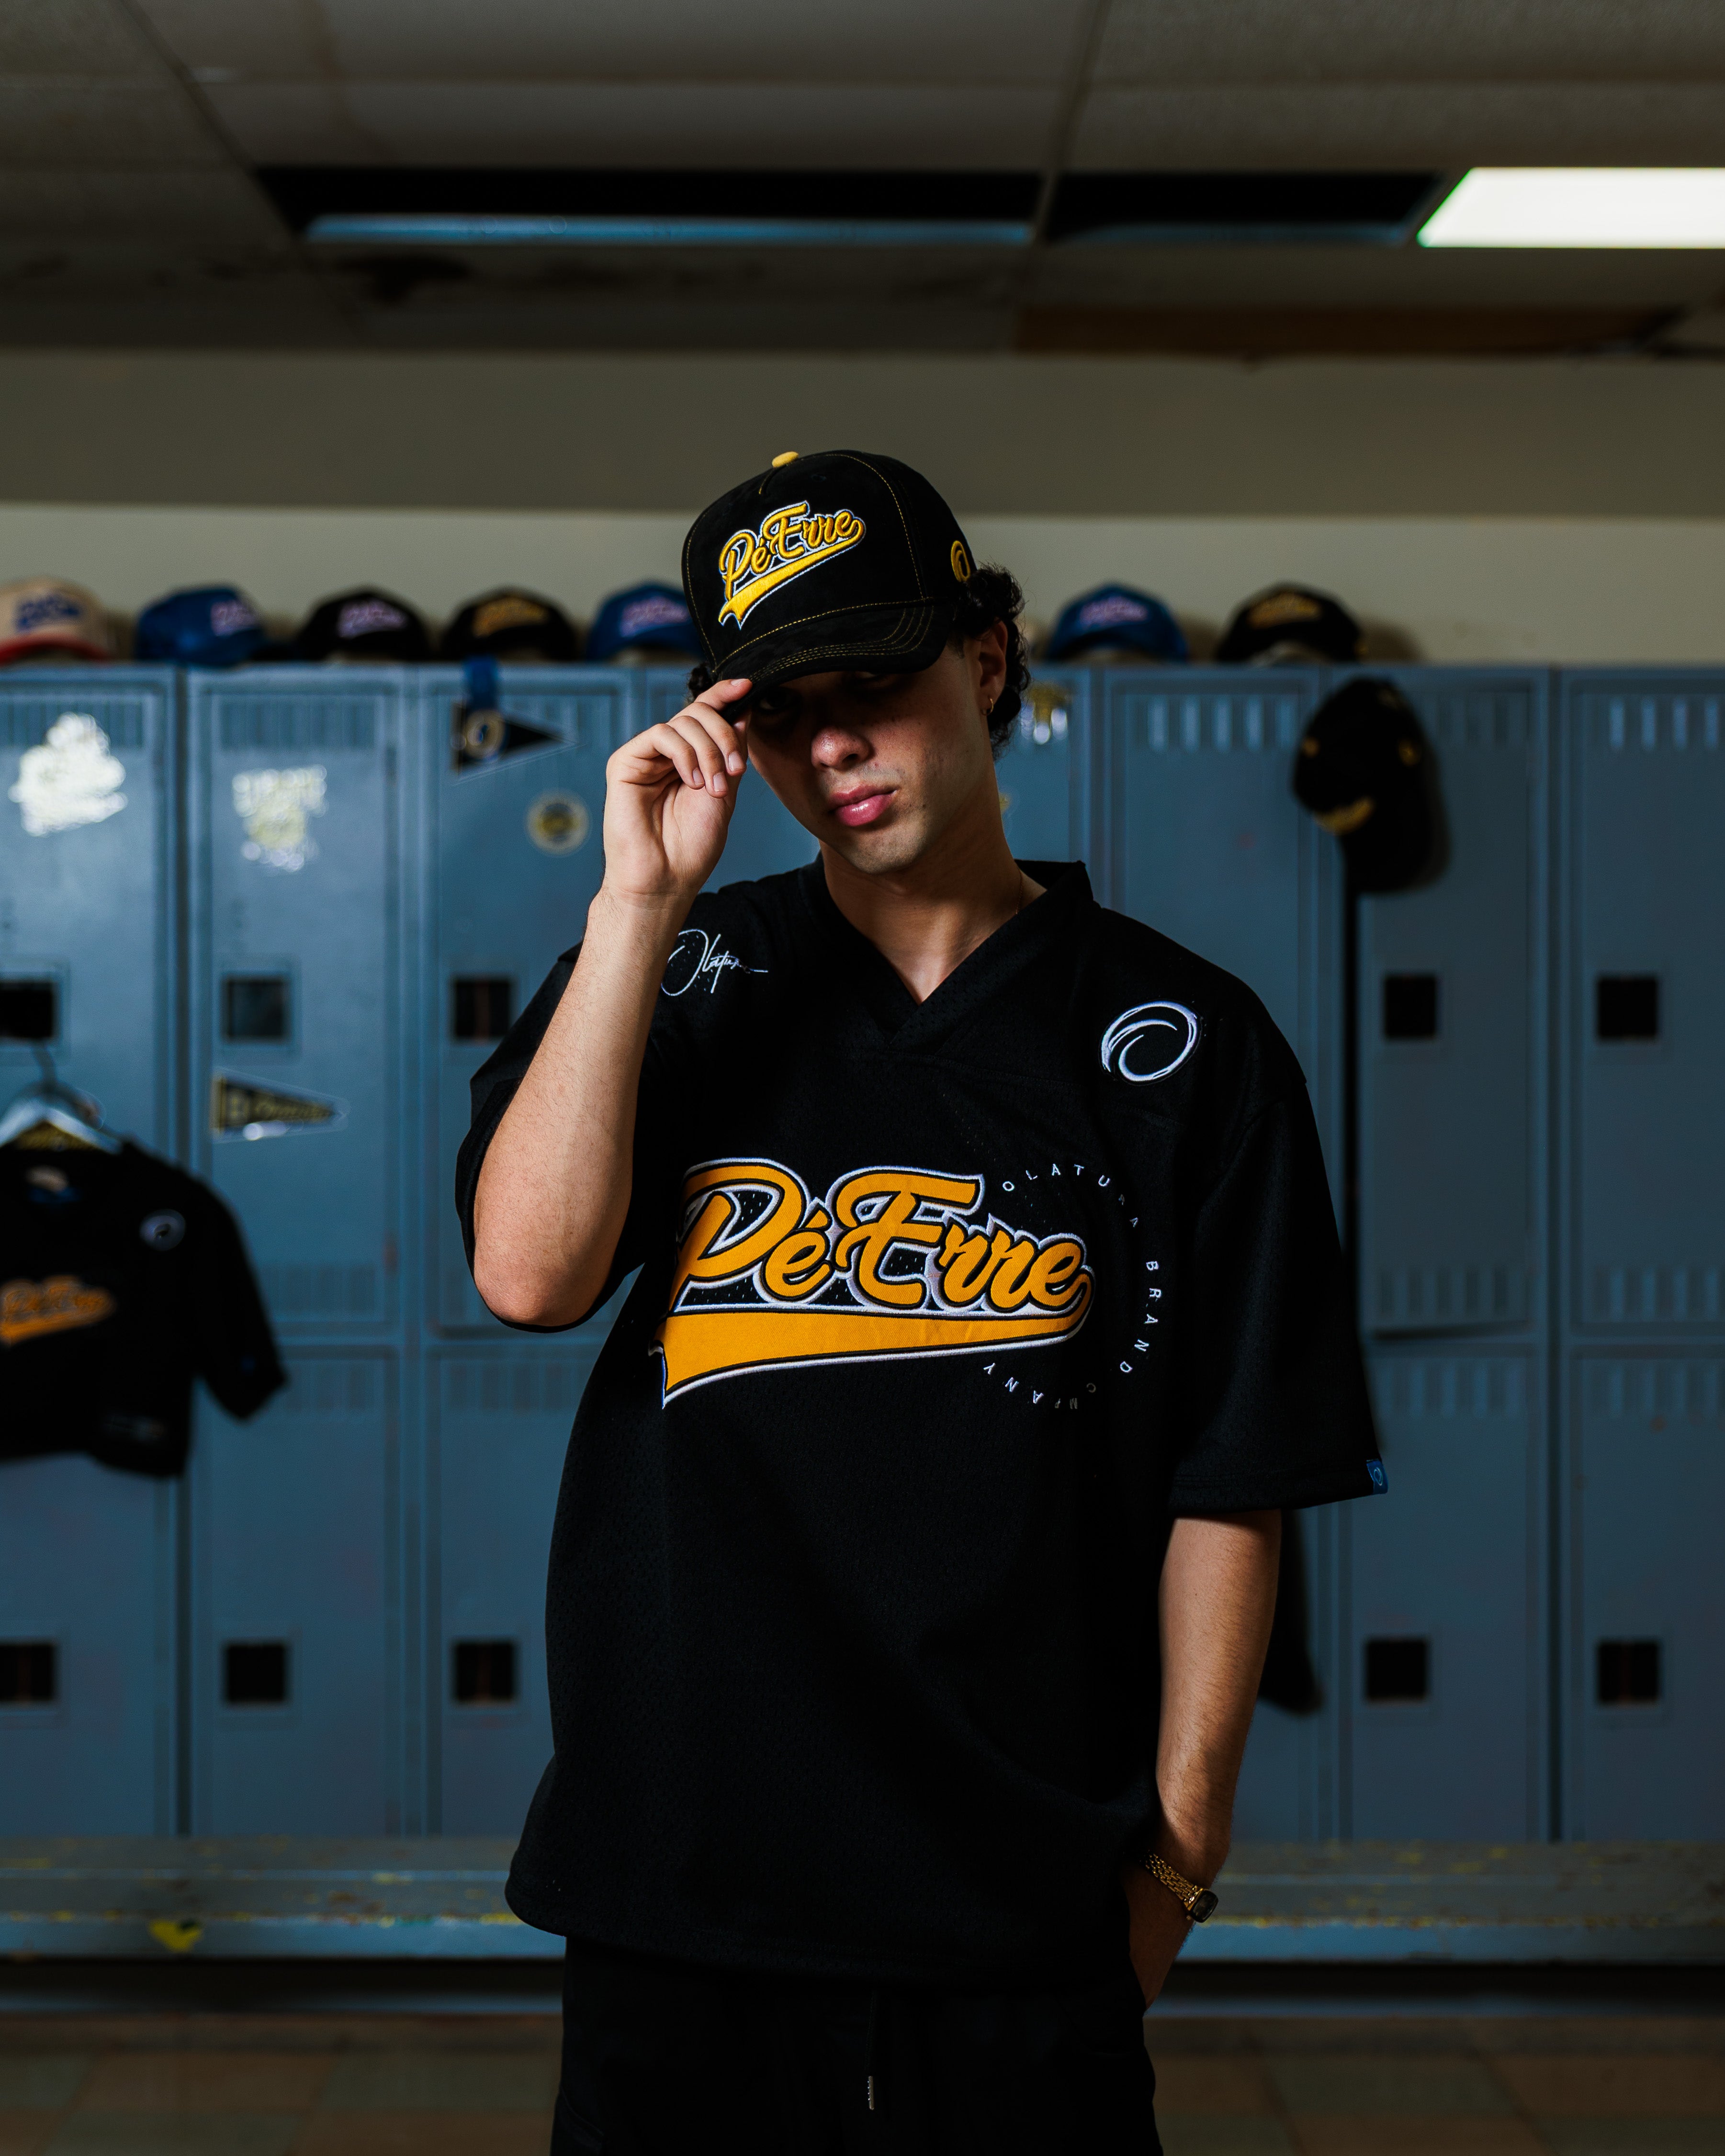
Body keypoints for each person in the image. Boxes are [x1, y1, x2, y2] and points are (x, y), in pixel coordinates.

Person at [461, 450, 1383, 2155]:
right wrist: (634, 906)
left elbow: (1232, 1478)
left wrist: (1178, 1854)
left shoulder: (1188, 1044)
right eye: (782, 710)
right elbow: (530, 1273)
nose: (831, 748)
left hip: (1016, 1894)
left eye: (871, 684)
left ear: (985, 656)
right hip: (685, 1875)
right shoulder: (680, 977)